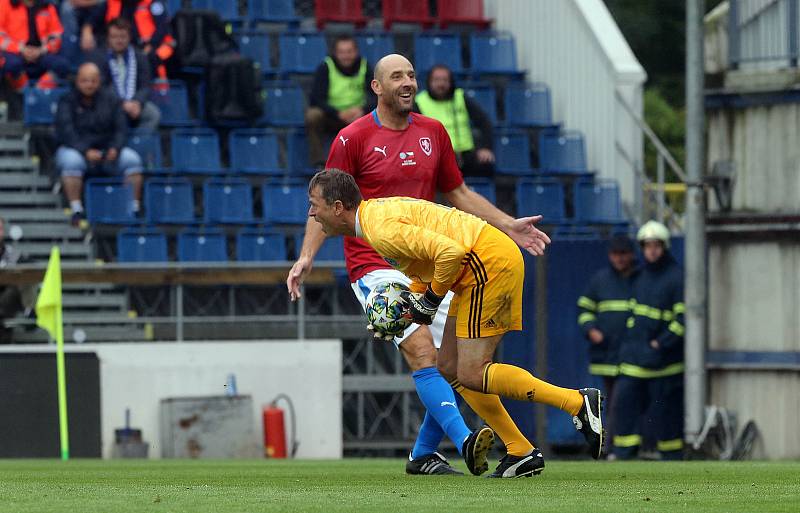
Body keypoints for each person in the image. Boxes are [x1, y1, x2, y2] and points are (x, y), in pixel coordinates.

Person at [288, 54, 553, 478]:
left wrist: (507, 224)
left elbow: (458, 192)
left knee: (456, 362)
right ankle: (467, 440)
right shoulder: (352, 138)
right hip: (373, 262)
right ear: (376, 87)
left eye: (411, 75)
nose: (408, 82)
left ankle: (423, 453)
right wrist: (306, 256)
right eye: (397, 76)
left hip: (432, 261)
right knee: (422, 350)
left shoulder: (433, 131)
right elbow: (326, 203)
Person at [306, 169, 605, 475]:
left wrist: (430, 303)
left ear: (338, 207)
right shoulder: (375, 218)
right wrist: (406, 312)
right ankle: (521, 451)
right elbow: (428, 263)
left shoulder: (379, 229)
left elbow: (451, 252)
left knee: (473, 372)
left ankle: (575, 402)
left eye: (315, 204)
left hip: (487, 266)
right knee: (449, 366)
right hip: (479, 265)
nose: (311, 212)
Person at [612, 220, 684, 461]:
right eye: (647, 246)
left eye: (656, 246)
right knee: (624, 409)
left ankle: (672, 457)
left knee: (667, 416)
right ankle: (624, 454)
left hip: (665, 364)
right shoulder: (640, 276)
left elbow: (682, 320)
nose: (651, 251)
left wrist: (661, 344)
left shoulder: (676, 277)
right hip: (634, 360)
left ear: (665, 247)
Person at [55, 62, 143, 227]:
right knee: (71, 161)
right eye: (84, 80)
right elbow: (66, 131)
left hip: (107, 150)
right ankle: (76, 209)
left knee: (132, 160)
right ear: (77, 81)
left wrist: (115, 148)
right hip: (77, 150)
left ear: (99, 81)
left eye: (93, 80)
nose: (89, 84)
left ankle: (133, 208)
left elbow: (121, 129)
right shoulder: (66, 100)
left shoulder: (111, 99)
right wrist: (85, 150)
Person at [577, 234, 637, 454]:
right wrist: (591, 330)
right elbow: (584, 309)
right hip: (606, 354)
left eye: (624, 254)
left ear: (631, 255)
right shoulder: (600, 280)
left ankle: (614, 446)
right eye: (615, 254)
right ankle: (608, 445)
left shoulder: (639, 278)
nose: (620, 259)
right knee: (612, 401)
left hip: (632, 353)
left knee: (621, 402)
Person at [305, 35, 376, 167]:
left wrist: (362, 110)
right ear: (335, 53)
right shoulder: (325, 67)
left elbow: (377, 95)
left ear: (356, 51)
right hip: (332, 116)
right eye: (342, 52)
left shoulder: (365, 66)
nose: (346, 56)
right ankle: (319, 162)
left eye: (349, 51)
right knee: (312, 115)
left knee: (379, 114)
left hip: (358, 117)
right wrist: (338, 113)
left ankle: (367, 160)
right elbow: (315, 99)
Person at [414, 65, 495, 178]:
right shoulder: (419, 102)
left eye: (445, 80)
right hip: (438, 157)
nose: (441, 84)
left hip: (466, 154)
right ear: (429, 81)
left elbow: (484, 122)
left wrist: (485, 147)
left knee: (487, 166)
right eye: (437, 80)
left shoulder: (460, 96)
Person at [84, 16, 160, 132]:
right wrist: (121, 103)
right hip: (108, 103)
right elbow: (100, 87)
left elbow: (145, 86)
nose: (119, 40)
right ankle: (113, 147)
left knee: (153, 114)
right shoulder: (98, 57)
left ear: (129, 37)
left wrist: (137, 102)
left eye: (122, 37)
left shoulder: (140, 57)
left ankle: (137, 147)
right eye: (114, 37)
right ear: (108, 38)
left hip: (134, 103)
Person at [84, 0, 174, 80]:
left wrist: (150, 45)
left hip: (149, 47)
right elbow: (92, 20)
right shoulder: (111, 3)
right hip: (116, 46)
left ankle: (158, 90)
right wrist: (86, 32)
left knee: (151, 58)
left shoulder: (153, 3)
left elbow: (162, 29)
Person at [0, 0, 71, 90]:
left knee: (62, 66)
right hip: (14, 53)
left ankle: (38, 91)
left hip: (41, 52)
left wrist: (42, 50)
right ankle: (24, 91)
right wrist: (20, 49)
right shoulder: (4, 4)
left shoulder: (48, 6)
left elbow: (56, 36)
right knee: (12, 65)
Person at [0, 218, 32, 344]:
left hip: (6, 300)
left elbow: (33, 267)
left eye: (0, 229)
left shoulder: (12, 253)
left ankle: (30, 312)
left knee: (28, 274)